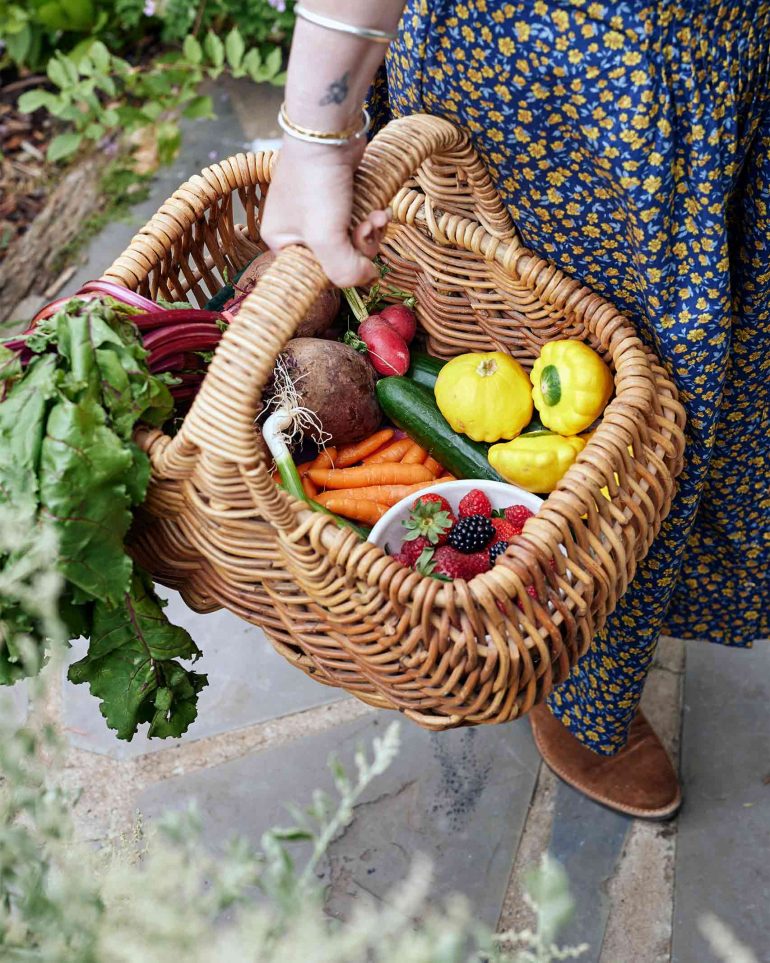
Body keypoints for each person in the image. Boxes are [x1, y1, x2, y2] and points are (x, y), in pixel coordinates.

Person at [262, 0, 770, 819]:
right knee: (604, 408)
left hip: (720, 51)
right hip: (564, 83)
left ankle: (639, 603)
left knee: (677, 392)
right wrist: (317, 135)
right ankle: (578, 679)